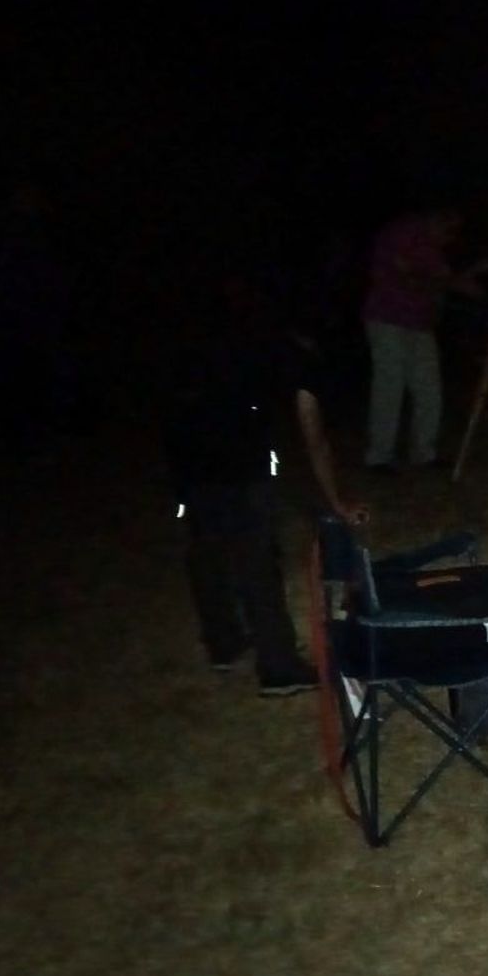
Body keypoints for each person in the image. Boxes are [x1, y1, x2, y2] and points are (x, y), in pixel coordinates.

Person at [166, 274, 370, 695]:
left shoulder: (229, 332)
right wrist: (335, 500)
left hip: (187, 451)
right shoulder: (297, 357)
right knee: (256, 557)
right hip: (235, 458)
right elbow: (313, 436)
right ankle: (278, 668)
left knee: (206, 543)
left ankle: (223, 644)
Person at [361, 207, 488, 470]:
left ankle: (424, 454)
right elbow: (411, 277)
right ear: (436, 216)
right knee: (390, 387)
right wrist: (456, 284)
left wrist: (467, 278)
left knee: (429, 388)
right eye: (450, 227)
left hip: (420, 324)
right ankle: (379, 457)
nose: (452, 236)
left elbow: (443, 282)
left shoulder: (434, 246)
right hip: (388, 318)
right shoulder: (402, 232)